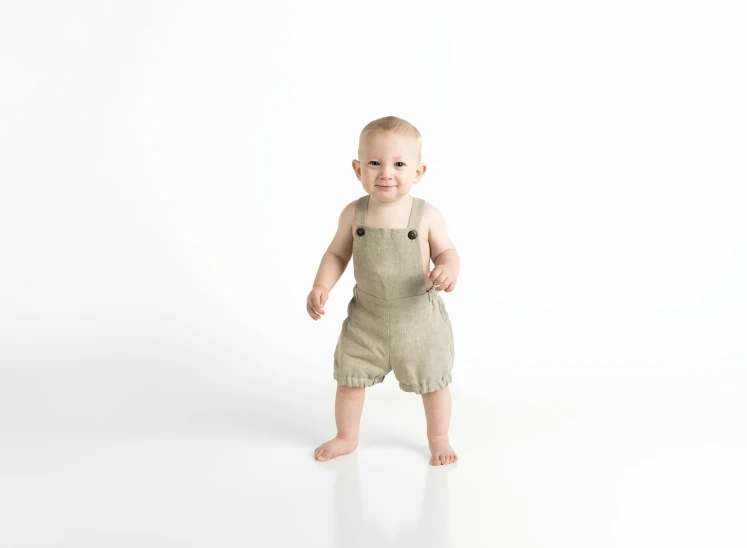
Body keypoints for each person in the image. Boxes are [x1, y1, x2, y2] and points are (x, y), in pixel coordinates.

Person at [307, 116, 459, 466]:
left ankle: (438, 437)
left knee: (433, 384)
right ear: (358, 169)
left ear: (418, 172)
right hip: (367, 319)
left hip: (418, 321)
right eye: (374, 163)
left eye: (399, 164)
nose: (386, 173)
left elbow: (447, 251)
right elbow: (336, 253)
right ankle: (346, 436)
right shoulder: (353, 214)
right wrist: (321, 285)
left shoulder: (426, 215)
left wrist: (448, 269)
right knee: (349, 380)